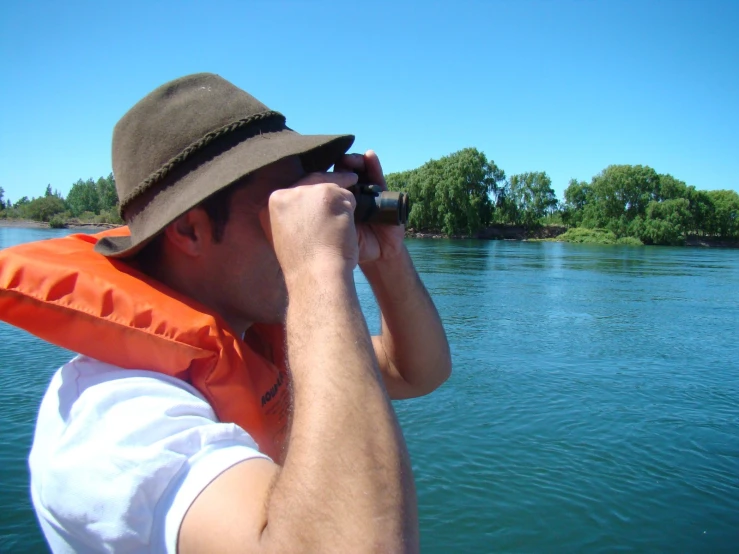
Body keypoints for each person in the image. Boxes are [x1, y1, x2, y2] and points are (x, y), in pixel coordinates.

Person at [17, 73, 451, 553]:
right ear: (190, 231)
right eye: (282, 206)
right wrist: (317, 268)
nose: (298, 222)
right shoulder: (114, 420)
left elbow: (414, 370)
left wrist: (386, 257)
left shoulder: (253, 344)